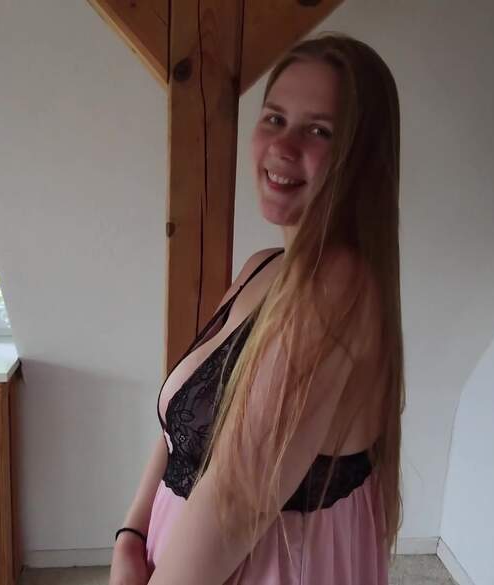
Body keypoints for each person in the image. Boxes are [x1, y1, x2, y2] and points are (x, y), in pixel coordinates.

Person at [109, 32, 405, 585]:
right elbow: (179, 424)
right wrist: (131, 535)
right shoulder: (263, 267)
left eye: (319, 130)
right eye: (274, 119)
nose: (283, 146)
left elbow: (236, 502)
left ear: (361, 157)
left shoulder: (337, 288)